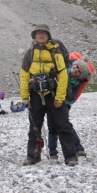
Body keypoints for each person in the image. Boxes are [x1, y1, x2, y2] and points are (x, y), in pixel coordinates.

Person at [19, 24, 79, 166]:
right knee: (34, 127)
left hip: (53, 94)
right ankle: (33, 156)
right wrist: (25, 97)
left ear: (48, 35)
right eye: (38, 33)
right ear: (34, 36)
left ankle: (71, 156)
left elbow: (63, 75)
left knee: (63, 125)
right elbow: (24, 75)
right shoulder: (30, 53)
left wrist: (60, 97)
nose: (41, 35)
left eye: (44, 33)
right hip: (35, 94)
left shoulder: (56, 52)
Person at [48, 58, 92, 159]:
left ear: (80, 75)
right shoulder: (61, 71)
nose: (76, 69)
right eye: (76, 67)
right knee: (55, 127)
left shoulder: (77, 82)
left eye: (79, 71)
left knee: (62, 127)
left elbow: (70, 97)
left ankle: (74, 149)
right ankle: (54, 152)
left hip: (63, 105)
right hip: (53, 102)